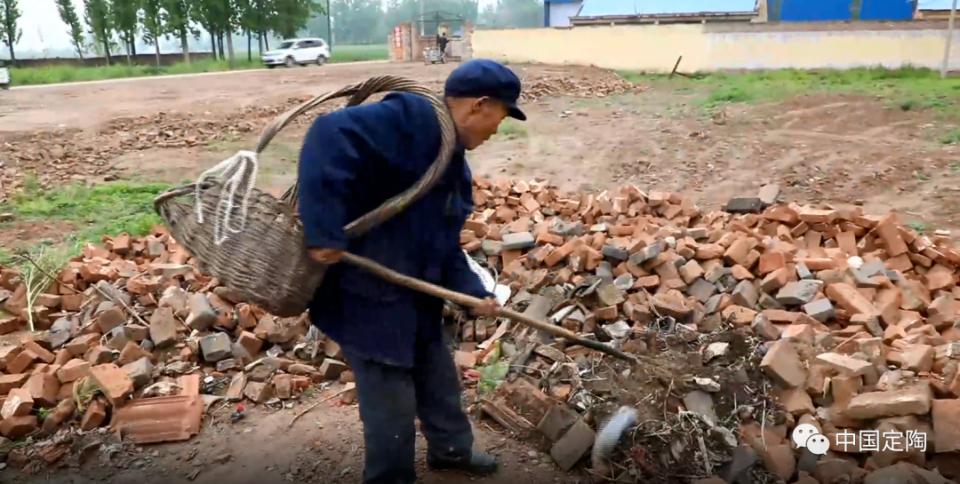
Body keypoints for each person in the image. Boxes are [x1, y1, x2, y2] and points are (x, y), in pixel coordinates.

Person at [297, 59, 526, 484]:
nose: (498, 128)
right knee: (390, 399)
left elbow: (443, 242)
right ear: (480, 105)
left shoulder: (452, 161)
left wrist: (473, 292)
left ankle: (452, 451)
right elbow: (327, 134)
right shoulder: (411, 119)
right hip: (366, 294)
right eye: (501, 115)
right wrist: (323, 229)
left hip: (414, 295)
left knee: (438, 377)